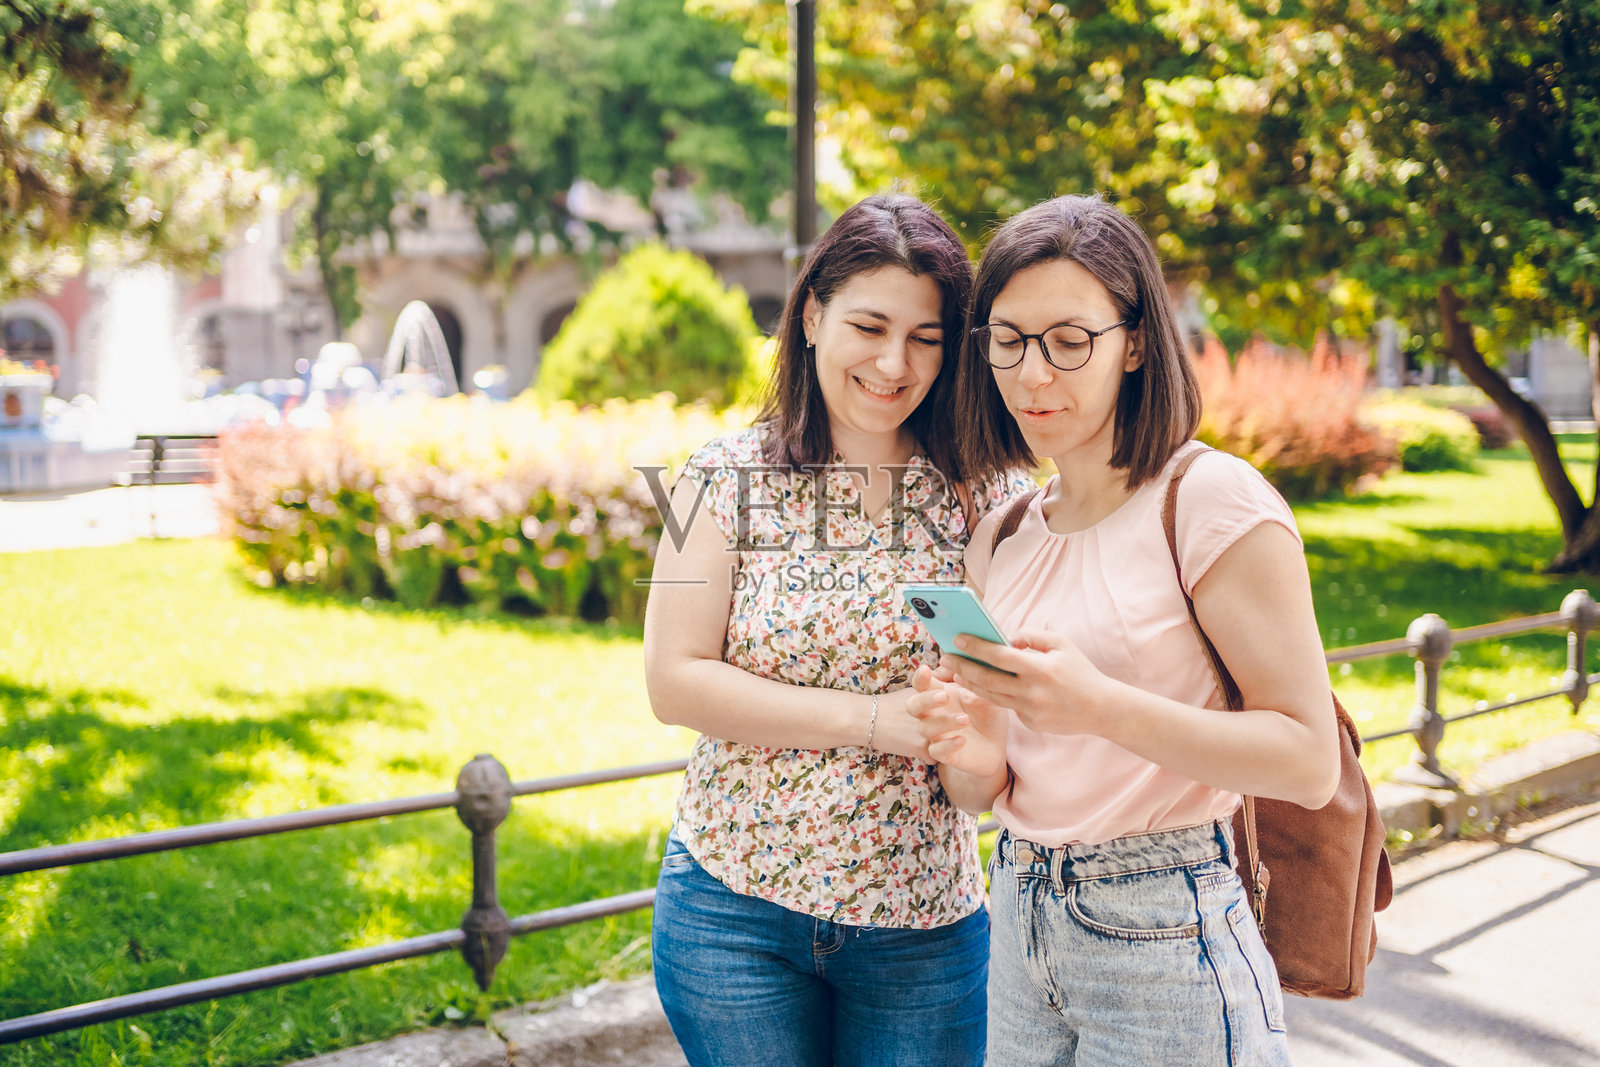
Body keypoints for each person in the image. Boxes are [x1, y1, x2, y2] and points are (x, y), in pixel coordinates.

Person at [909, 194, 1341, 1065]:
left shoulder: (1211, 499)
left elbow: (1309, 758)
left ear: (1136, 341)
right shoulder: (1002, 532)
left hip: (1166, 924)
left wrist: (1101, 706)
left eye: (1071, 342)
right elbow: (977, 791)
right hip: (1019, 913)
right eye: (1008, 340)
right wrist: (967, 734)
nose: (1035, 375)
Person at [643, 194, 1035, 1067]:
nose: (895, 363)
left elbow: (978, 783)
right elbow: (673, 680)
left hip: (920, 931)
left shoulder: (988, 499)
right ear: (813, 313)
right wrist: (872, 722)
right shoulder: (720, 474)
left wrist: (959, 740)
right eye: (869, 324)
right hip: (730, 912)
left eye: (926, 337)